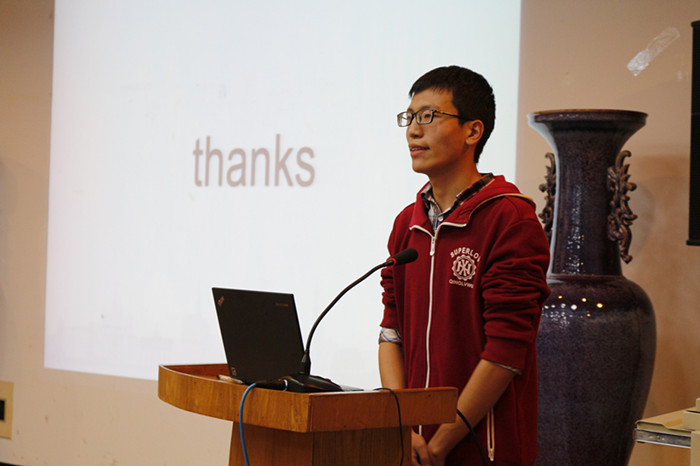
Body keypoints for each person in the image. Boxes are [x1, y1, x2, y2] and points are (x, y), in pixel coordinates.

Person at [378, 65, 550, 466]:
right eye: (409, 118)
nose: (413, 131)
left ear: (473, 131)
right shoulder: (407, 224)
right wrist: (403, 427)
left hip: (484, 450)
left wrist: (441, 443)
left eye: (428, 116)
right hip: (413, 448)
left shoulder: (510, 219)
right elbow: (391, 333)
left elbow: (506, 351)